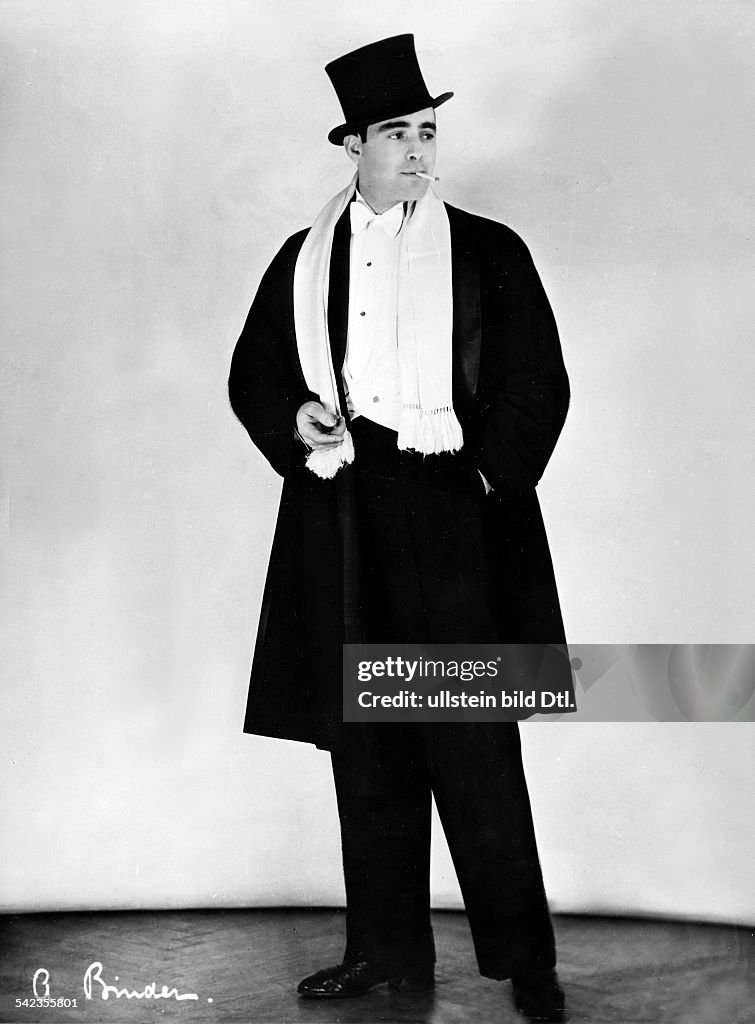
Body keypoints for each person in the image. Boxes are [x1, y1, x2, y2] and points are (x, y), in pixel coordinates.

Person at [229, 34, 570, 1023]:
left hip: (455, 516)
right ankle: (383, 948)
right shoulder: (302, 263)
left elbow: (534, 384)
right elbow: (257, 374)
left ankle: (523, 960)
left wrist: (476, 473)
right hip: (344, 515)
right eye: (398, 133)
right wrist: (295, 419)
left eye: (429, 131)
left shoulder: (490, 250)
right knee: (366, 746)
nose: (420, 152)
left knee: (473, 744)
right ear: (352, 144)